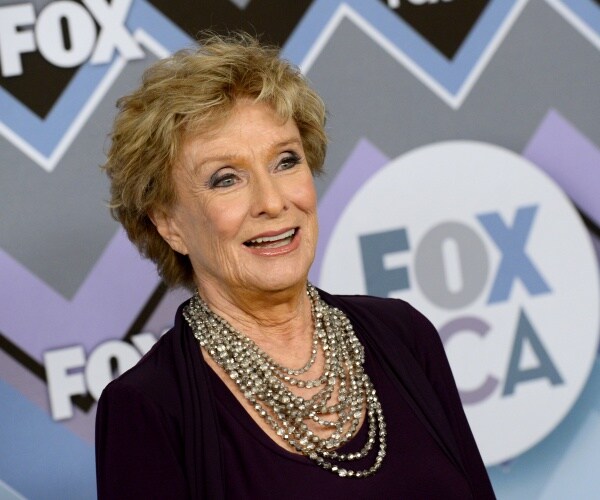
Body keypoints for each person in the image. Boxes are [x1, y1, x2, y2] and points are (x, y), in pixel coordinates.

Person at [95, 32, 495, 499]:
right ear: (168, 224)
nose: (272, 201)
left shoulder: (404, 335)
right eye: (226, 179)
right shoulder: (148, 407)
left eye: (285, 161)